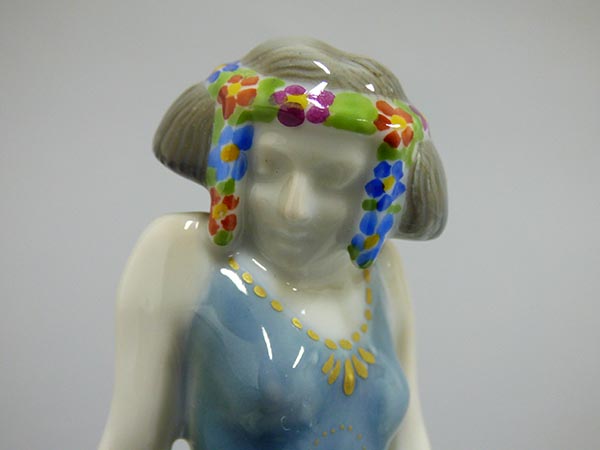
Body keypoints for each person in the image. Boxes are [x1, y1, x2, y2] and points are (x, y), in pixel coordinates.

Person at [98, 37, 447, 450]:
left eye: (334, 177)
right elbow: (132, 440)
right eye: (271, 166)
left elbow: (411, 436)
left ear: (378, 189)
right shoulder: (183, 256)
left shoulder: (381, 270)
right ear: (233, 162)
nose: (294, 209)